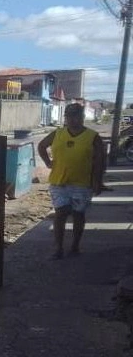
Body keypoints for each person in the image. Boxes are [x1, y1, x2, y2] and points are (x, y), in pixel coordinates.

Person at [37, 102, 104, 259]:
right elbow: (41, 146)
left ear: (82, 117)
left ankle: (75, 246)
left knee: (78, 214)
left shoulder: (93, 137)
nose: (73, 119)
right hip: (59, 182)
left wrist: (97, 181)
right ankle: (58, 248)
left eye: (77, 116)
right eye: (69, 116)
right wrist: (48, 162)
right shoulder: (58, 133)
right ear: (65, 118)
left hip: (82, 183)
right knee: (60, 213)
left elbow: (100, 161)